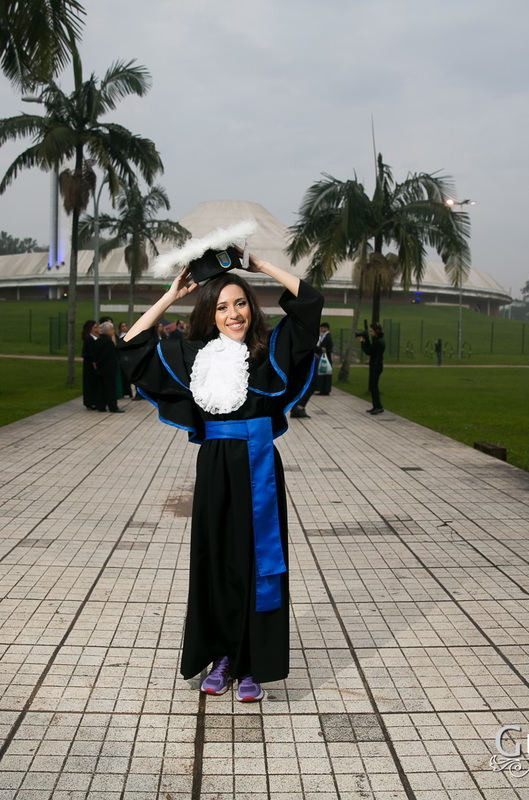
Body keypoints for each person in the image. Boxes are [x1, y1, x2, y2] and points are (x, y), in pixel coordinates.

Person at [119, 219, 321, 703]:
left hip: (258, 468)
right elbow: (132, 347)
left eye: (241, 304)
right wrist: (171, 295)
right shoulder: (194, 357)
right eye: (224, 306)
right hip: (213, 468)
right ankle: (222, 656)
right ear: (210, 312)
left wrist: (260, 266)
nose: (234, 314)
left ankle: (252, 663)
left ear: (252, 308)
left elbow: (309, 304)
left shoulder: (270, 353)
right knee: (216, 564)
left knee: (257, 564)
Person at [93, 320, 123, 413]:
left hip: (100, 369)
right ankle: (113, 407)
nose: (113, 332)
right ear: (107, 331)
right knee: (110, 389)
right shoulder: (108, 342)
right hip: (109, 369)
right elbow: (107, 356)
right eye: (112, 330)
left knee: (101, 388)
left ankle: (101, 406)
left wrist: (97, 364)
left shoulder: (98, 341)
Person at [357, 322, 385, 414]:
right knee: (373, 386)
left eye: (371, 331)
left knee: (373, 386)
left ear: (376, 331)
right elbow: (372, 351)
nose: (371, 333)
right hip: (375, 365)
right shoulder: (378, 340)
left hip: (376, 366)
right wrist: (367, 340)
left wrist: (362, 342)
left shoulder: (378, 342)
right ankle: (376, 405)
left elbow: (369, 351)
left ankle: (378, 406)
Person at [81, 319, 100, 410]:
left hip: (93, 362)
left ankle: (95, 400)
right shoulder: (89, 338)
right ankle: (90, 402)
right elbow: (90, 352)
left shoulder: (95, 338)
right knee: (90, 382)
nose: (96, 329)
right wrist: (94, 361)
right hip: (90, 364)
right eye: (95, 327)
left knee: (95, 383)